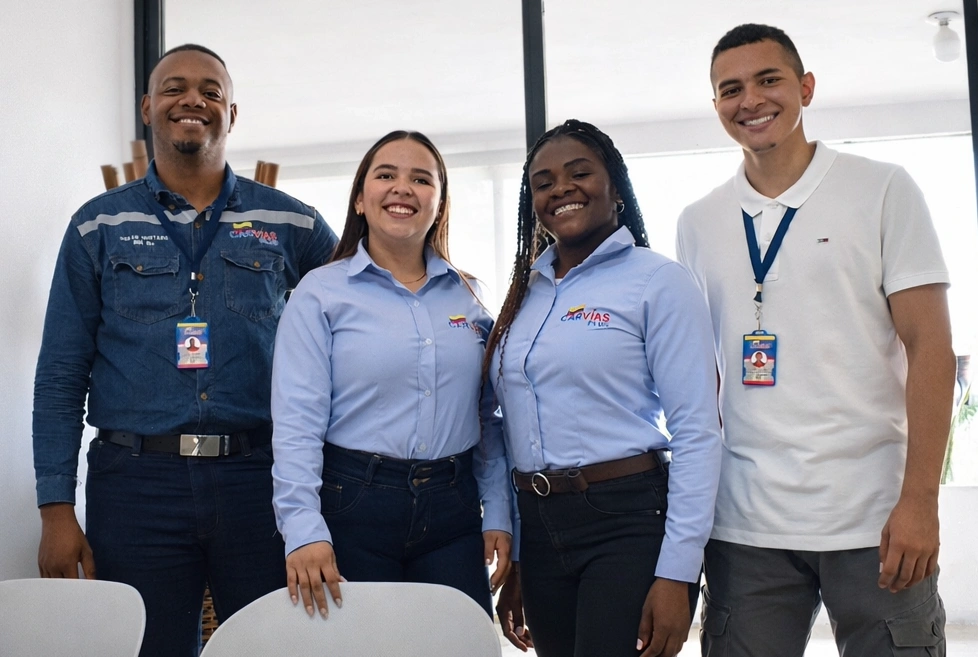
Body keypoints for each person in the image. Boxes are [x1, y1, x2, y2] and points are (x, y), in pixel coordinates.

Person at [32, 44, 338, 657]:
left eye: (210, 90)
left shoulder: (292, 223)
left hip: (258, 480)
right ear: (148, 107)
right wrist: (56, 510)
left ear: (232, 112)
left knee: (278, 647)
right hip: (136, 485)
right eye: (174, 88)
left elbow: (359, 313)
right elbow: (61, 375)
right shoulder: (97, 225)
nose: (192, 99)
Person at [675, 23, 952, 656]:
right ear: (715, 104)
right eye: (730, 89)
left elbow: (929, 346)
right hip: (746, 527)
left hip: (875, 518)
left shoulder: (882, 189)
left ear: (805, 88)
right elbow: (701, 380)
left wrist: (920, 502)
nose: (750, 100)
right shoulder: (699, 222)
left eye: (768, 80)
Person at [488, 119, 722, 657]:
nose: (560, 189)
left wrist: (678, 572)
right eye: (543, 182)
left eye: (579, 173)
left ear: (615, 187)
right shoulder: (524, 294)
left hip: (627, 522)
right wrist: (521, 555)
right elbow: (512, 429)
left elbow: (698, 433)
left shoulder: (658, 282)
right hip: (540, 526)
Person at [270, 130, 512, 621]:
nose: (402, 188)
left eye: (421, 179)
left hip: (453, 509)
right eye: (386, 175)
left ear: (438, 204)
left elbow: (488, 417)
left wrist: (500, 511)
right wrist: (303, 528)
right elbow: (297, 423)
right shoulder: (320, 293)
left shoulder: (471, 296)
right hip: (353, 505)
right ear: (360, 199)